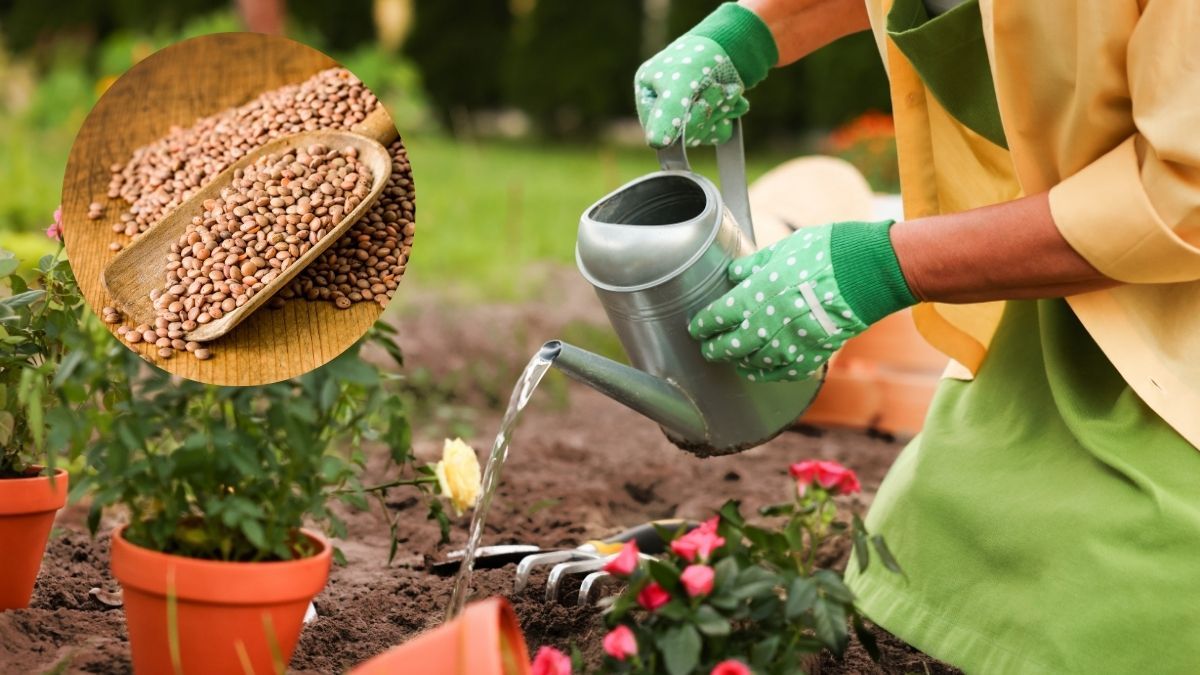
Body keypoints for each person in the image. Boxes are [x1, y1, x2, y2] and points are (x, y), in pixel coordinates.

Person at [635, 1, 1200, 672]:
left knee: (1129, 599)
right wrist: (753, 29)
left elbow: (1184, 191)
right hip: (1072, 306)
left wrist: (886, 265)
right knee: (931, 536)